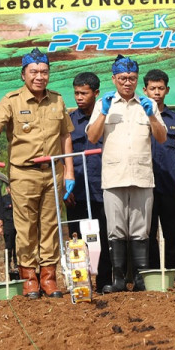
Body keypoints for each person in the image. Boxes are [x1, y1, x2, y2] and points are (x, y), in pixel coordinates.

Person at [0, 49, 72, 299]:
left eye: (44, 72)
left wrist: (70, 172)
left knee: (50, 226)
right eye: (34, 72)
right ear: (24, 74)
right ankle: (29, 278)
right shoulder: (12, 100)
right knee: (25, 228)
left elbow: (65, 136)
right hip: (24, 173)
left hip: (53, 173)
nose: (39, 76)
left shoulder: (57, 100)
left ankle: (49, 277)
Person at [87, 56, 167, 292]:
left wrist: (151, 115)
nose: (127, 83)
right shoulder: (105, 103)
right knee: (116, 229)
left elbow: (161, 138)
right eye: (122, 78)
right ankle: (119, 279)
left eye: (132, 78)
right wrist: (102, 113)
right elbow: (92, 137)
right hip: (114, 175)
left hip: (142, 175)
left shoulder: (148, 104)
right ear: (114, 79)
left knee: (141, 230)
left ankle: (141, 278)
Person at [67, 71, 110, 291]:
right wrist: (68, 184)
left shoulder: (107, 118)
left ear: (96, 93)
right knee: (78, 238)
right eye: (76, 93)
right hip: (78, 191)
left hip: (104, 188)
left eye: (84, 93)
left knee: (104, 237)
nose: (79, 97)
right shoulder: (70, 122)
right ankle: (81, 282)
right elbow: (63, 155)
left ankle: (106, 282)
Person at [144, 69, 175, 279]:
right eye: (152, 88)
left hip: (170, 185)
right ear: (145, 90)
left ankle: (173, 276)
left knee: (171, 234)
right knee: (147, 234)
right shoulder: (138, 117)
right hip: (145, 185)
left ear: (167, 90)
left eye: (160, 88)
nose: (157, 93)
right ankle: (151, 276)